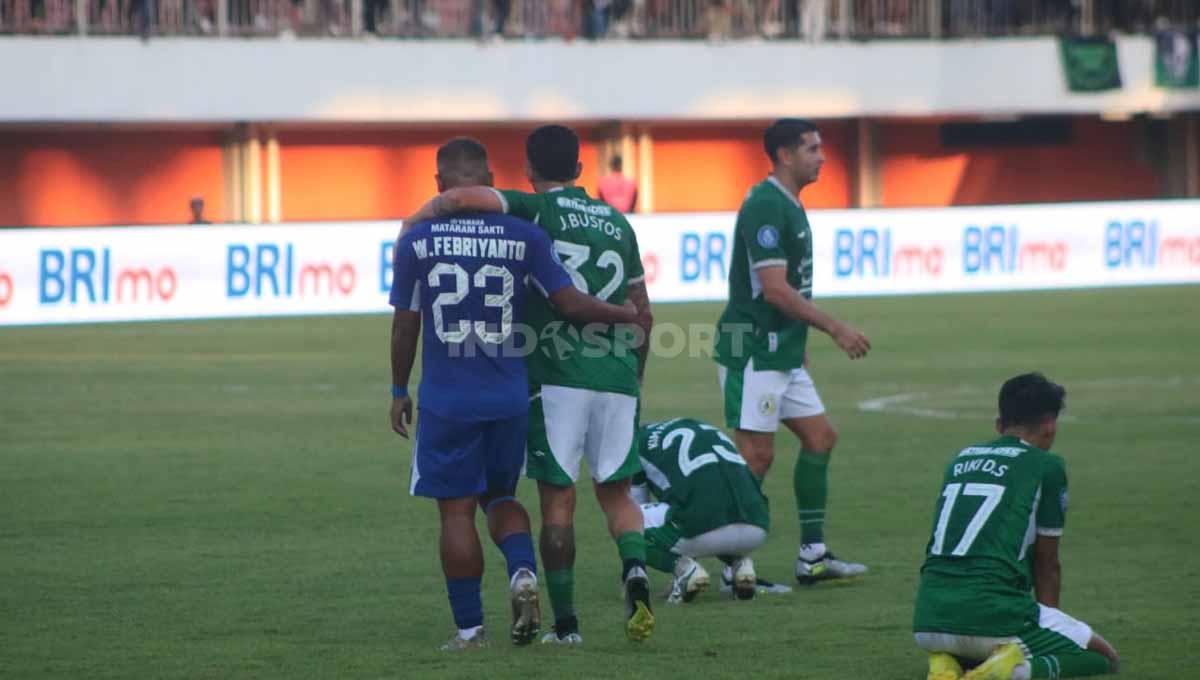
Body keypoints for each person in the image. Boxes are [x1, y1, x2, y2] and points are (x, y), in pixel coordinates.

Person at [389, 137, 644, 651]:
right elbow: (568, 300)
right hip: (510, 394)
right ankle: (523, 571)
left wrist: (399, 388)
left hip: (447, 397)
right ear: (488, 180)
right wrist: (624, 316)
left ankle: (469, 629)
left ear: (439, 184)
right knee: (501, 496)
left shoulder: (417, 240)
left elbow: (405, 325)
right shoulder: (525, 235)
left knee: (457, 510)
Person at [712, 118, 871, 586]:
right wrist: (834, 328)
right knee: (756, 458)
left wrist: (799, 343)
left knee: (820, 438)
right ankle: (731, 567)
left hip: (780, 350)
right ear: (784, 155)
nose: (821, 156)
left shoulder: (788, 203)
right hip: (753, 351)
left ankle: (812, 556)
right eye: (812, 149)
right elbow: (776, 291)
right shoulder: (765, 204)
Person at [913, 373, 1120, 680]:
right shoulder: (1047, 467)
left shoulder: (960, 460)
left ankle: (947, 663)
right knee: (1103, 659)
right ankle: (1015, 672)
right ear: (1050, 425)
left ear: (999, 424)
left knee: (981, 639)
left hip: (928, 619)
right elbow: (1047, 564)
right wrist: (1048, 625)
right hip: (992, 616)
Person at [631, 417, 785, 603]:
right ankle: (740, 564)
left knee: (624, 521)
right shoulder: (699, 426)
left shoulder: (635, 446)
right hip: (757, 525)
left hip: (705, 529)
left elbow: (634, 508)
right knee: (711, 508)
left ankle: (684, 569)